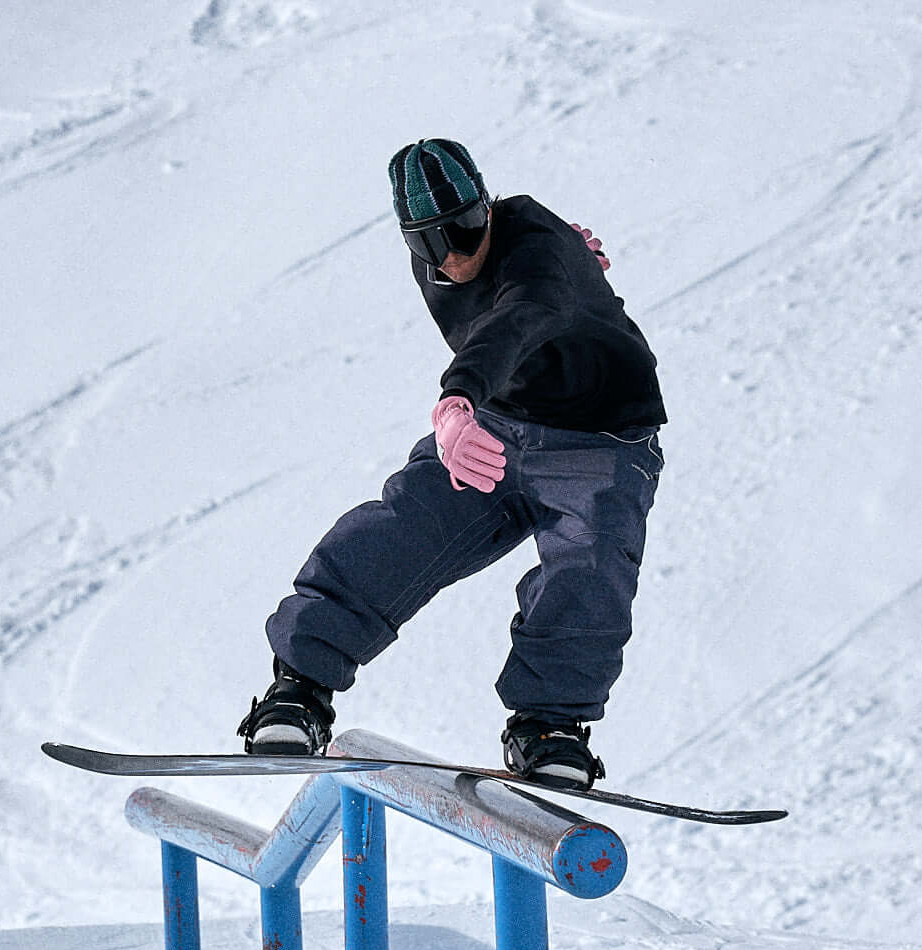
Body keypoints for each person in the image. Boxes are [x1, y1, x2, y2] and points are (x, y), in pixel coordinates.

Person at [237, 138, 666, 786]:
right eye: (431, 242)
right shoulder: (442, 259)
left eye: (465, 230)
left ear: (487, 208)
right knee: (401, 530)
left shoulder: (537, 247)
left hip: (597, 443)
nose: (454, 255)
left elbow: (517, 317)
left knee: (589, 565)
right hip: (494, 429)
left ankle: (547, 727)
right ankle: (299, 689)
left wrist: (455, 399)